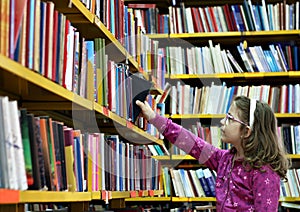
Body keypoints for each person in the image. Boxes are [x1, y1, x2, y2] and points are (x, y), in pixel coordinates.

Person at [136, 95, 290, 211]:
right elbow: (190, 142)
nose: (223, 122)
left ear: (247, 131)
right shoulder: (224, 159)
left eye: (230, 119)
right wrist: (153, 118)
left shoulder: (264, 171)